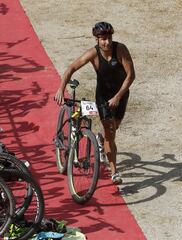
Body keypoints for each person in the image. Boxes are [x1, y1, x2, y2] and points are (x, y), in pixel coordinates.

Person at [54, 21, 135, 185]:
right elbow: (71, 68)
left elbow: (131, 75)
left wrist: (118, 96)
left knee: (113, 128)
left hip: (121, 96)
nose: (107, 42)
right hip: (103, 97)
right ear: (97, 39)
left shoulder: (121, 49)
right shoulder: (93, 54)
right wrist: (61, 89)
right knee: (110, 134)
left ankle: (101, 140)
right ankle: (114, 172)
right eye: (103, 39)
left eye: (109, 37)